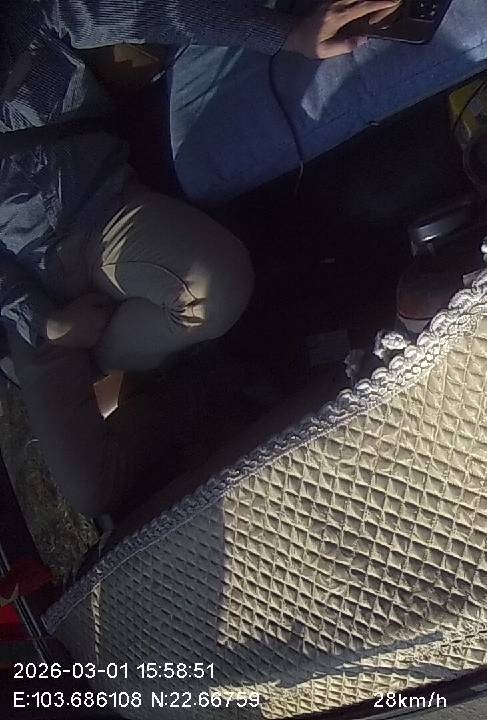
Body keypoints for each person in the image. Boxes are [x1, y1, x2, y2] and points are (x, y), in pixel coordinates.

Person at [0, 0, 399, 520]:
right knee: (91, 491)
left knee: (216, 284)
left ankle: (189, 367)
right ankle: (188, 392)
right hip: (28, 295)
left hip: (101, 217)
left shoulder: (26, 15)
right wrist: (46, 323)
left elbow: (152, 13)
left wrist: (288, 34)